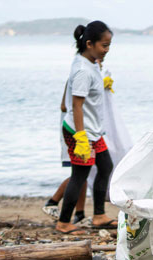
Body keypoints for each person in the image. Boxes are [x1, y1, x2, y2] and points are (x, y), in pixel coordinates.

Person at [56, 20, 118, 234]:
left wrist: (103, 82)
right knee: (80, 174)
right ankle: (64, 222)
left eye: (109, 45)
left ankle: (99, 215)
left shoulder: (89, 61)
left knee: (106, 167)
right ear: (89, 43)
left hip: (93, 130)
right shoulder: (83, 70)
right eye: (104, 45)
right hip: (79, 132)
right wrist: (81, 137)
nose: (107, 50)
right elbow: (76, 105)